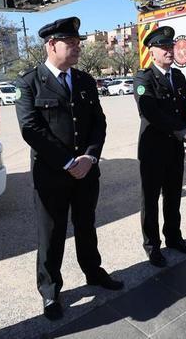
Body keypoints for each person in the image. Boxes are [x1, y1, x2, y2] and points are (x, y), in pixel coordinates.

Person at [14, 17, 123, 321]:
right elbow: (31, 129)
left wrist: (89, 157)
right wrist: (67, 162)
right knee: (51, 234)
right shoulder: (29, 82)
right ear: (51, 45)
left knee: (87, 225)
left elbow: (98, 123)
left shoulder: (86, 81)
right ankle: (50, 291)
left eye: (78, 43)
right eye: (71, 43)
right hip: (51, 176)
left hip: (86, 172)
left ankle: (93, 271)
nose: (77, 48)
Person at [134, 26, 186, 267]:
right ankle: (152, 246)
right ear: (152, 52)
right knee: (150, 201)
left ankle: (173, 237)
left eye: (170, 46)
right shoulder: (144, 77)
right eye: (163, 47)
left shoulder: (179, 77)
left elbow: (185, 109)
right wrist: (184, 132)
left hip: (174, 148)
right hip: (153, 150)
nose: (169, 51)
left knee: (173, 197)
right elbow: (151, 112)